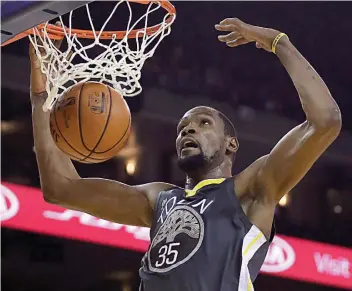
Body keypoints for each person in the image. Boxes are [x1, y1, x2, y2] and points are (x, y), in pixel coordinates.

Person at [30, 18, 341, 291]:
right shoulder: (159, 200)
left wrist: (277, 41)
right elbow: (60, 188)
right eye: (182, 128)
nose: (188, 131)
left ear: (231, 144)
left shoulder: (251, 189)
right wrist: (41, 99)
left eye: (203, 123)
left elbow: (325, 121)